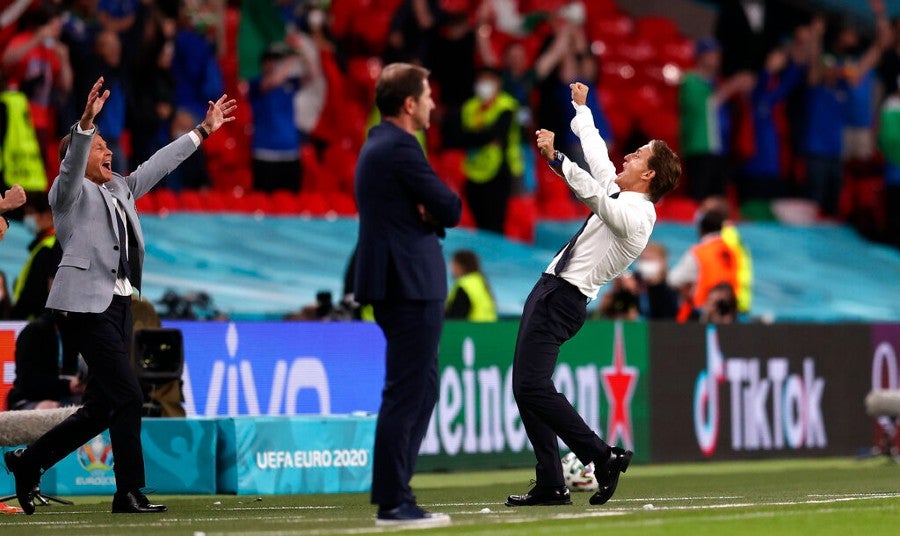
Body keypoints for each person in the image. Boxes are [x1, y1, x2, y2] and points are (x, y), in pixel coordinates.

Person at [2, 76, 236, 516]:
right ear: (77, 155)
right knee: (129, 396)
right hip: (84, 307)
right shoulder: (66, 193)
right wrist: (85, 124)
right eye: (99, 147)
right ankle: (129, 492)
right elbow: (72, 167)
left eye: (108, 146)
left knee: (103, 405)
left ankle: (28, 462)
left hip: (121, 306)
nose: (109, 152)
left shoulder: (120, 190)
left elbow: (159, 164)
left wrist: (202, 131)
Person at [506, 82, 680, 508]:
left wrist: (556, 159)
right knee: (527, 387)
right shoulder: (625, 194)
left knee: (530, 386)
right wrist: (581, 109)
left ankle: (600, 455)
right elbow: (598, 155)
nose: (627, 157)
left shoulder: (639, 216)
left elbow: (594, 195)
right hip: (552, 290)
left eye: (637, 155)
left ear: (650, 174)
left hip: (562, 296)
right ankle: (551, 481)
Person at [354, 62, 460, 527]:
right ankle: (393, 501)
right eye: (429, 94)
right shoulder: (401, 148)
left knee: (422, 388)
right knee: (408, 391)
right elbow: (451, 207)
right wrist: (432, 212)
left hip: (399, 280)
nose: (434, 103)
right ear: (409, 103)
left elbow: (435, 207)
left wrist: (429, 211)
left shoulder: (379, 144)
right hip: (410, 283)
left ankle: (397, 490)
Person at [460, 67, 523, 233]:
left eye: (489, 80)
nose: (484, 85)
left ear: (498, 83)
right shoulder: (469, 107)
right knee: (479, 224)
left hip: (501, 169)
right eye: (481, 80)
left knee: (496, 223)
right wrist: (485, 138)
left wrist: (477, 137)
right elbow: (460, 138)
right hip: (473, 170)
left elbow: (498, 134)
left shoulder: (507, 106)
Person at [668, 209, 740, 322]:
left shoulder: (699, 253)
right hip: (729, 313)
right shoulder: (733, 252)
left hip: (704, 314)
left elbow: (673, 280)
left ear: (701, 229)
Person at [7, 311, 84, 411]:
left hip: (70, 397)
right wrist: (67, 386)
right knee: (51, 412)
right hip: (31, 399)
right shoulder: (34, 331)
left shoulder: (81, 332)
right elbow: (27, 382)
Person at [11, 191, 62, 320]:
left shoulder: (49, 248)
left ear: (48, 215)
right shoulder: (43, 244)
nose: (26, 218)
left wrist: (16, 317)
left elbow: (33, 292)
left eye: (31, 213)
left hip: (35, 323)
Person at [446, 249, 497, 322]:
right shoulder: (480, 281)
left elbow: (456, 317)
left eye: (453, 264)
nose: (451, 268)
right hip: (489, 329)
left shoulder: (464, 285)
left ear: (460, 266)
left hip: (472, 330)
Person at [634, 241, 679, 320]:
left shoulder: (673, 288)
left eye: (650, 260)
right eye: (643, 259)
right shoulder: (635, 285)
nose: (645, 264)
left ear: (662, 262)